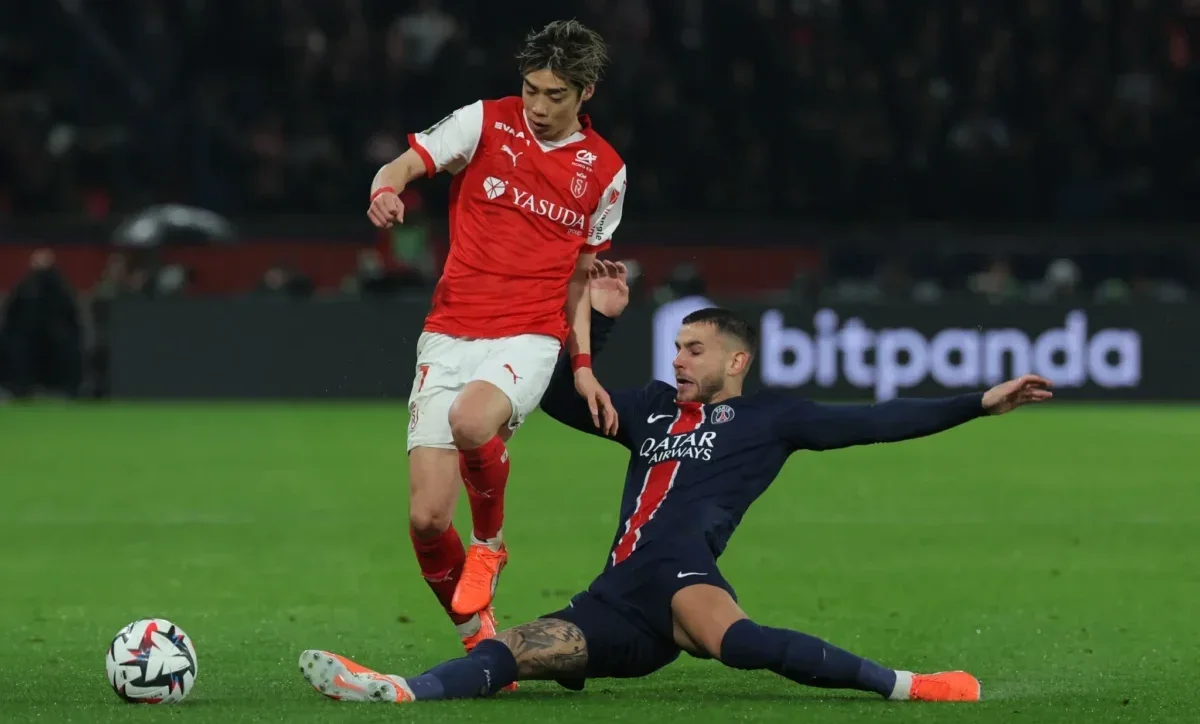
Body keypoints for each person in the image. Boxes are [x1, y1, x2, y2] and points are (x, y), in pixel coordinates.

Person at [297, 261, 1053, 704]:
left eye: (695, 350)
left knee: (742, 643)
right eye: (677, 347)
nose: (681, 360)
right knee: (517, 652)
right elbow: (563, 393)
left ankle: (912, 685)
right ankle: (400, 691)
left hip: (682, 573)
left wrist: (978, 403)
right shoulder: (653, 410)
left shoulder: (771, 421)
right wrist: (602, 321)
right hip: (618, 593)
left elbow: (879, 420)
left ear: (736, 362)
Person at [367, 20, 627, 651]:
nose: (538, 106)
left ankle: (490, 543)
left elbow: (577, 279)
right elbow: (406, 162)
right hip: (450, 330)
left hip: (528, 334)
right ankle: (477, 639)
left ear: (586, 92)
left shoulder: (607, 172)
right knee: (427, 520)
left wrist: (583, 363)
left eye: (555, 95)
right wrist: (385, 188)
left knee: (470, 422)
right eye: (531, 89)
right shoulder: (485, 121)